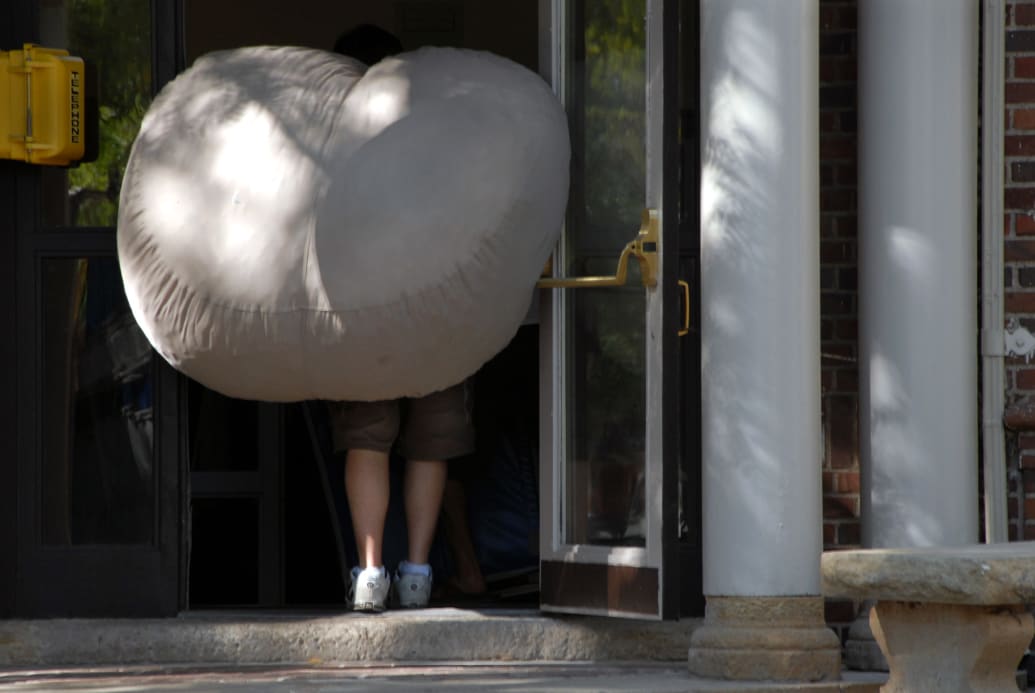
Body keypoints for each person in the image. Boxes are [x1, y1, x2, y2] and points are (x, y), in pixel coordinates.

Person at [328, 24, 476, 612]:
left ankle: (370, 573)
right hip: (437, 304)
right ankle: (416, 572)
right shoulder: (435, 135)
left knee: (368, 436)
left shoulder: (337, 142)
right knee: (429, 441)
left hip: (366, 306)